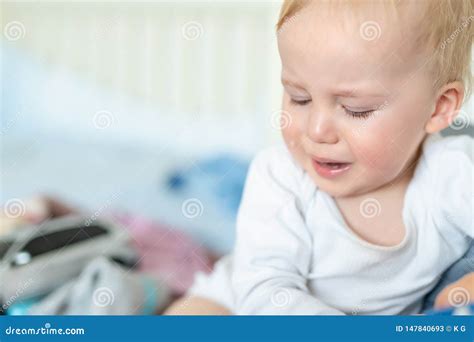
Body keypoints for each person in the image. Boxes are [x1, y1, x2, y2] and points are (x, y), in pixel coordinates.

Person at [166, 0, 474, 315]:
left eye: (356, 109)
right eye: (299, 99)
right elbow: (264, 292)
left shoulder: (453, 171)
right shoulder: (280, 176)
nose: (316, 130)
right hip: (242, 304)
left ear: (439, 107)